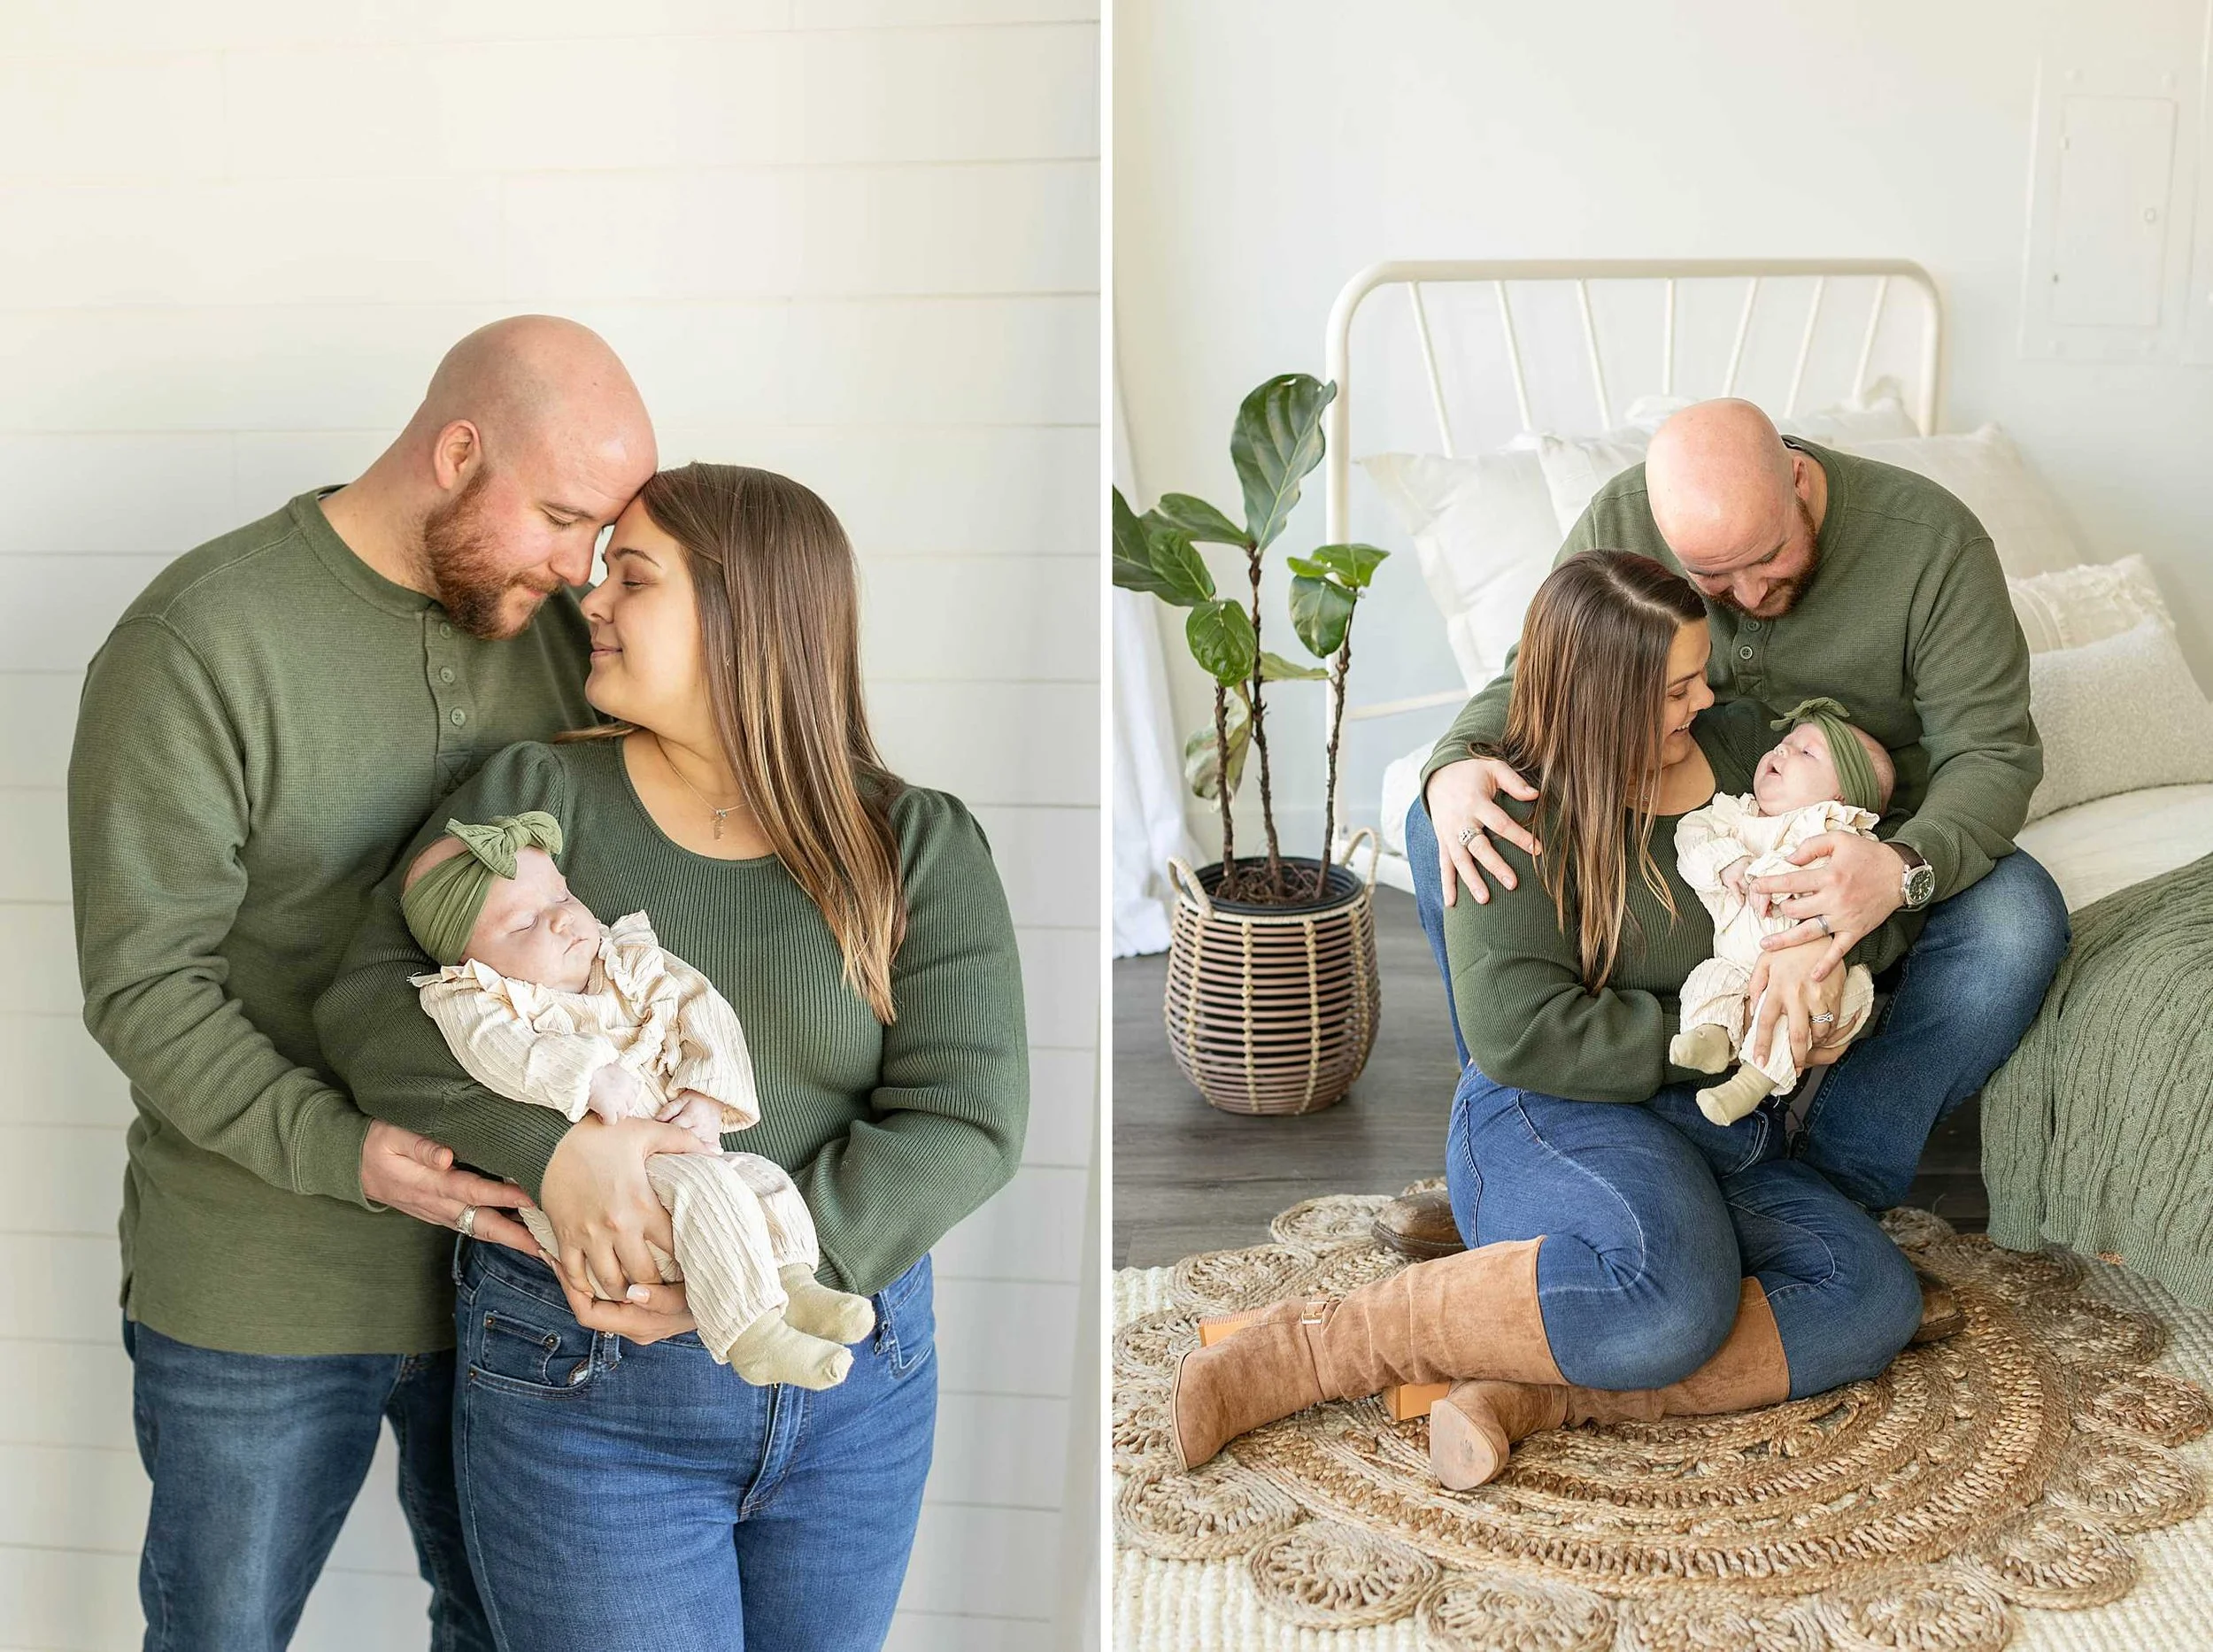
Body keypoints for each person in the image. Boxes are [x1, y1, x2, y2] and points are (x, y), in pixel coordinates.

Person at [317, 462, 1030, 1652]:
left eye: (631, 576)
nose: (589, 601)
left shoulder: (913, 842)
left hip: (847, 1375)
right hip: (584, 1377)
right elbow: (371, 1006)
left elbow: (969, 1115)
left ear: (744, 613)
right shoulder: (539, 799)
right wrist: (555, 1154)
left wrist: (739, 1264)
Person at [67, 315, 655, 1651]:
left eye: (602, 536)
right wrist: (349, 1151)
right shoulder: (198, 643)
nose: (582, 569)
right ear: (458, 453)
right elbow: (144, 986)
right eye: (562, 517)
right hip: (256, 1281)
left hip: (513, 1285)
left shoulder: (570, 638)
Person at [1172, 551, 1926, 1493]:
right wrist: (1722, 1039)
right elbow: (1520, 1033)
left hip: (1719, 1140)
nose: (1705, 698)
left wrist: (1822, 973)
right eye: (1676, 687)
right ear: (1603, 696)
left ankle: (1532, 1394)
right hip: (1548, 1118)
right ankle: (1307, 1351)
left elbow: (1863, 879)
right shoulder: (1512, 811)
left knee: (1871, 1298)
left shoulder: (1747, 759)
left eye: (1699, 673)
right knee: (1671, 1302)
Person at [1411, 398, 2070, 1214]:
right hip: (1697, 812)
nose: (1749, 595)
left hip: (1870, 835)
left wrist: (1897, 868)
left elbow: (1992, 752)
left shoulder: (1931, 543)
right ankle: (1518, 1141)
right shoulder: (1624, 515)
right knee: (1455, 825)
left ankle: (1827, 1186)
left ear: (1797, 478)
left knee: (2019, 919)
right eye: (1711, 578)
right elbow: (1546, 669)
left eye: (1767, 557)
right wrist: (1450, 769)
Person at [400, 808, 873, 1386]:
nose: (560, 921)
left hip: (682, 1155)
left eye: (561, 897)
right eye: (524, 923)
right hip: (601, 1213)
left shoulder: (623, 960)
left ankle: (795, 1284)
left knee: (760, 1177)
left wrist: (703, 1092)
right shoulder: (480, 1000)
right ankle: (751, 1335)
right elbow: (499, 1053)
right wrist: (588, 1073)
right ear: (468, 962)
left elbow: (701, 1004)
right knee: (713, 1187)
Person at [1670, 697, 1895, 1123]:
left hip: (1814, 971)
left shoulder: (1840, 833)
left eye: (1807, 751)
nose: (1783, 750)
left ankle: (1753, 1080)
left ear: (1842, 793)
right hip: (1736, 961)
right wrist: (1728, 861)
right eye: (1786, 742)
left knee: (1802, 1009)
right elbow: (1691, 836)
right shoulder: (1736, 815)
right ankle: (1712, 1037)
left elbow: (1851, 885)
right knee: (1709, 979)